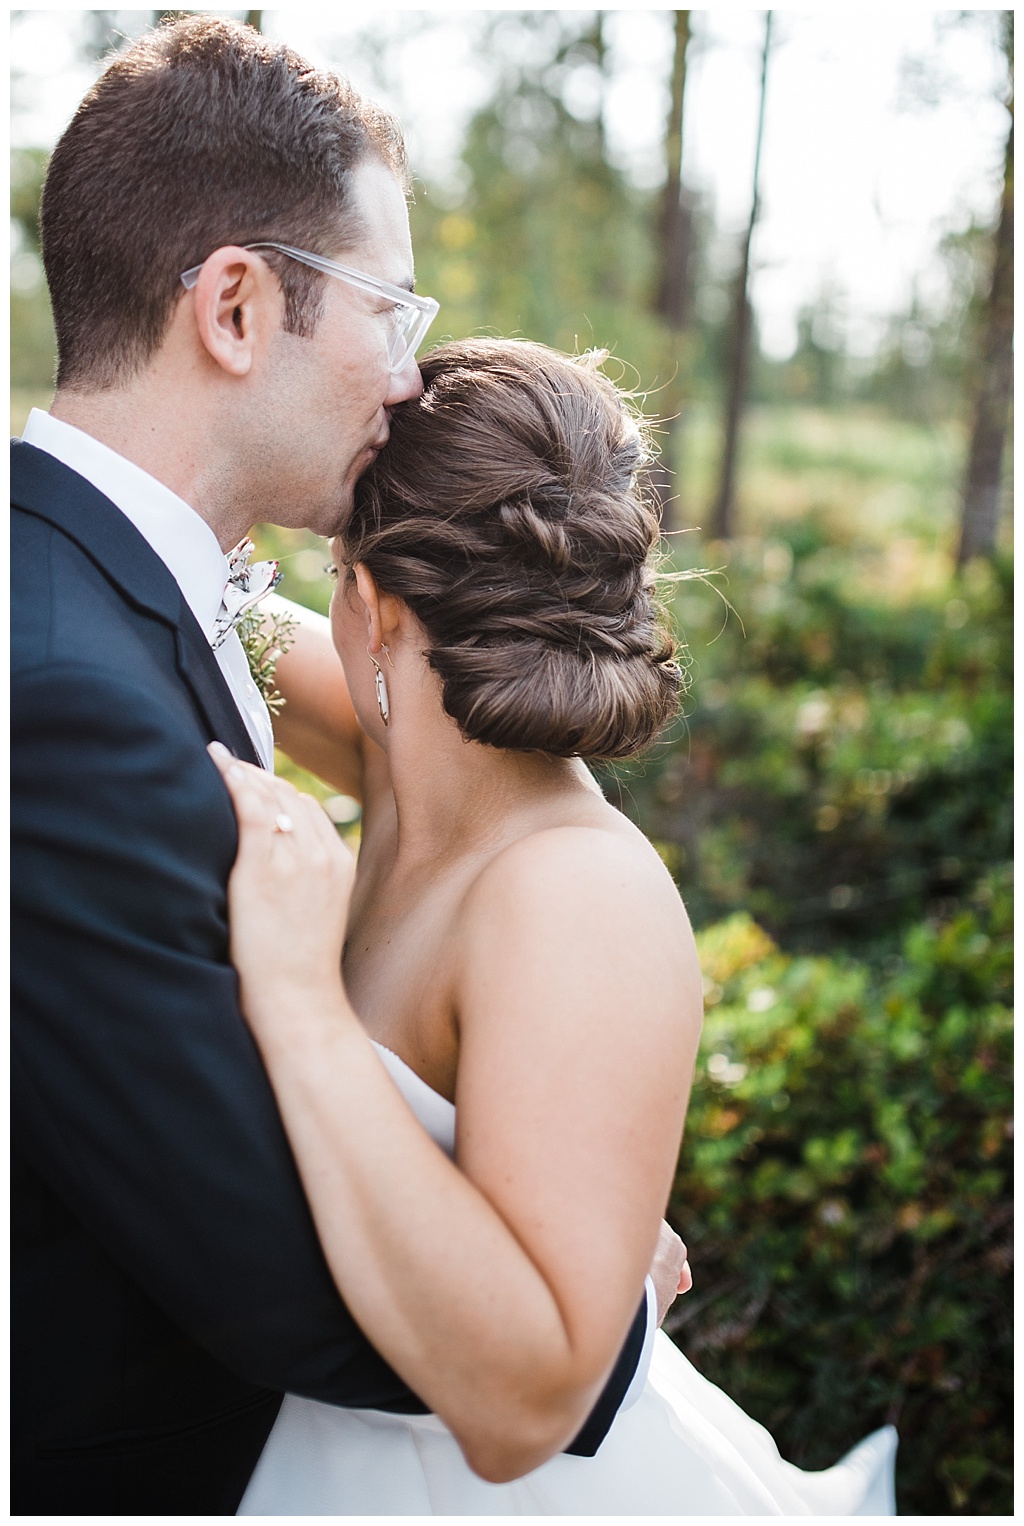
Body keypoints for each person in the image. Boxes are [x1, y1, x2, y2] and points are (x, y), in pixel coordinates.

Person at [10, 19, 658, 1515]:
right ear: (235, 305)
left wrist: (568, 1170)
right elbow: (242, 1253)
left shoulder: (138, 596)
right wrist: (592, 1293)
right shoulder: (62, 694)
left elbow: (445, 697)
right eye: (389, 303)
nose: (411, 368)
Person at [210, 336, 900, 1514]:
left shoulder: (573, 895)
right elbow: (176, 596)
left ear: (370, 605)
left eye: (333, 574)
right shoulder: (406, 769)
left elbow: (532, 1402)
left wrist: (299, 1007)